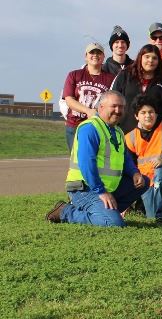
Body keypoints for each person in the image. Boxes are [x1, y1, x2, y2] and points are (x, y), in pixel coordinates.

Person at [46, 91, 149, 227]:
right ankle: (65, 211)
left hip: (106, 187)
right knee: (113, 223)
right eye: (113, 106)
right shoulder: (90, 128)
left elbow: (125, 158)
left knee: (144, 182)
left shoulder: (117, 131)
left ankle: (106, 211)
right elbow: (87, 164)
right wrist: (101, 191)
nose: (118, 110)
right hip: (84, 188)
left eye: (121, 107)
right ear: (101, 107)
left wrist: (135, 173)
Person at [124, 94, 162, 221]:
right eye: (143, 112)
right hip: (147, 181)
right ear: (136, 116)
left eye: (151, 112)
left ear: (156, 113)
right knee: (152, 216)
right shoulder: (129, 137)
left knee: (161, 169)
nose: (148, 115)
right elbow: (129, 166)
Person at [62, 43, 116, 151]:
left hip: (98, 126)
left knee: (95, 159)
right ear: (86, 56)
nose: (95, 55)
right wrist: (88, 111)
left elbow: (112, 102)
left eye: (98, 53)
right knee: (77, 160)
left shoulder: (111, 78)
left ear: (103, 56)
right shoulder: (74, 75)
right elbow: (69, 99)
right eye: (92, 52)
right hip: (75, 125)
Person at [111, 44, 162, 133]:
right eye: (147, 57)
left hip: (154, 135)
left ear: (159, 61)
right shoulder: (125, 75)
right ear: (140, 58)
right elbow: (113, 100)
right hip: (125, 132)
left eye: (154, 58)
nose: (150, 61)